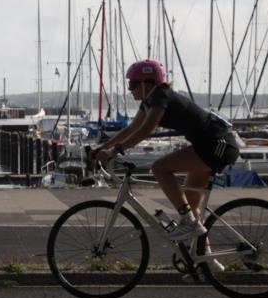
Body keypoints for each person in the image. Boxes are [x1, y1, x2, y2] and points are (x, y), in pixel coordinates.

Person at [94, 59, 242, 241]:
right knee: (191, 208)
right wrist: (102, 147)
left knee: (159, 168)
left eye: (132, 84)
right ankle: (207, 262)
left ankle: (187, 221)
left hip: (218, 144)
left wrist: (114, 152)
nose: (130, 89)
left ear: (146, 83)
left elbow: (145, 130)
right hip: (207, 144)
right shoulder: (149, 101)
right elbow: (131, 129)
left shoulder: (160, 97)